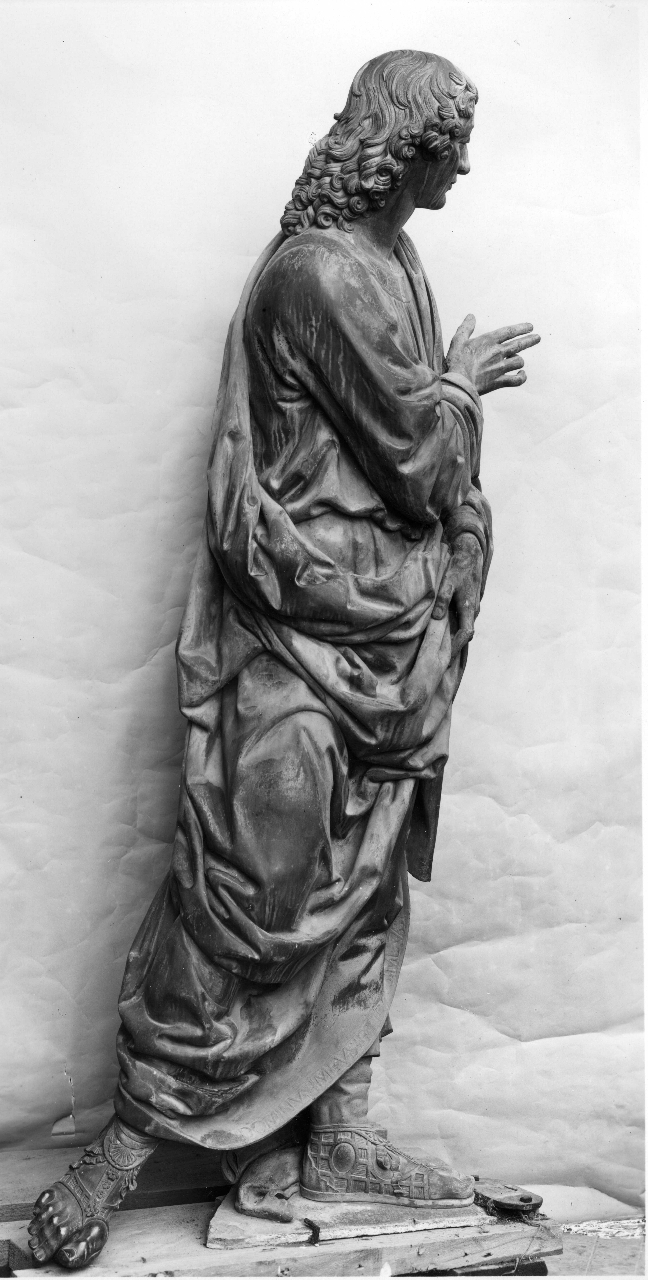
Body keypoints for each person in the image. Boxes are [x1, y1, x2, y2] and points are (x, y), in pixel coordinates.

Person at [28, 48, 540, 1270]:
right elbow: (415, 460)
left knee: (367, 874)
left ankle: (339, 1136)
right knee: (252, 878)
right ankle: (123, 1146)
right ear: (400, 147)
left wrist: (443, 428)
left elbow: (406, 470)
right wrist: (462, 387)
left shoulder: (391, 260)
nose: (465, 167)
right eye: (449, 144)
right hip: (302, 624)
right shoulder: (318, 274)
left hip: (387, 630)